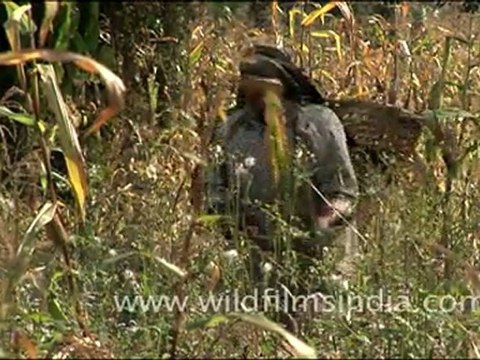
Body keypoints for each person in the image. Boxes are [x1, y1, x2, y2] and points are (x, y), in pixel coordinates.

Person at [206, 45, 360, 325]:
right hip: (255, 260)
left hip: (318, 260)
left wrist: (317, 230)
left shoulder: (317, 123)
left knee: (315, 327)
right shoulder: (232, 128)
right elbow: (215, 189)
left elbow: (343, 193)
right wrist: (233, 221)